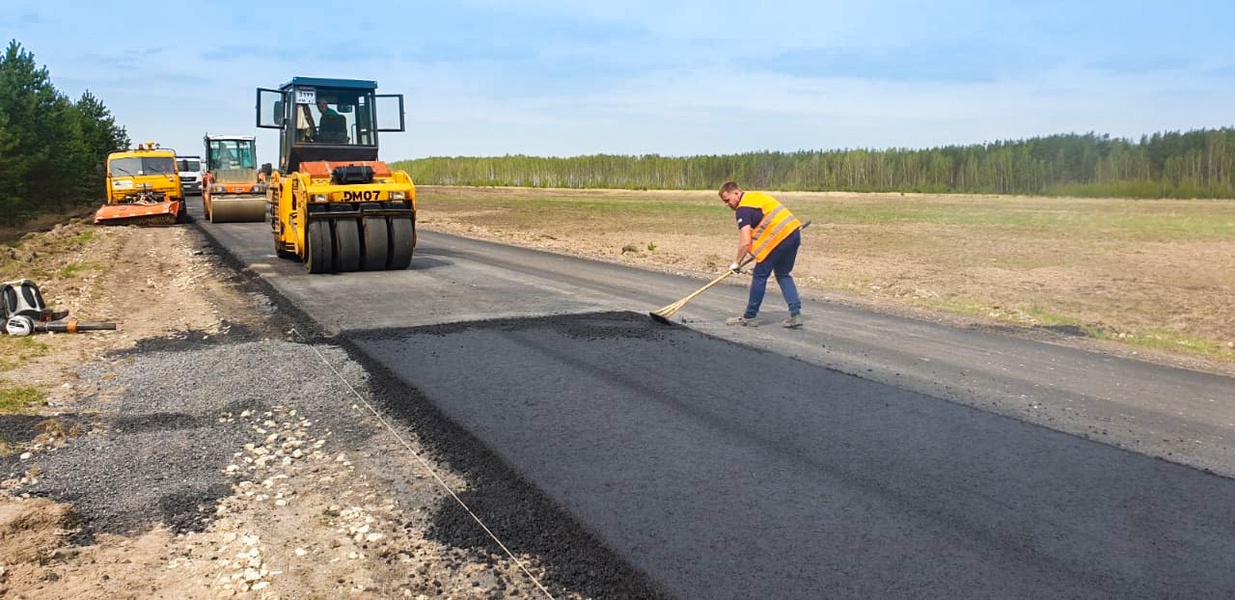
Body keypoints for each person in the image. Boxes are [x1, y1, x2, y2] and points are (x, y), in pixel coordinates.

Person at [718, 181, 804, 328]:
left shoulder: (743, 209)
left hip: (777, 240)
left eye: (727, 200)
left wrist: (737, 263)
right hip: (793, 234)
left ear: (736, 194)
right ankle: (796, 315)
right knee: (783, 274)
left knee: (760, 275)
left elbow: (745, 242)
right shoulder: (757, 196)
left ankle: (749, 317)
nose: (727, 204)